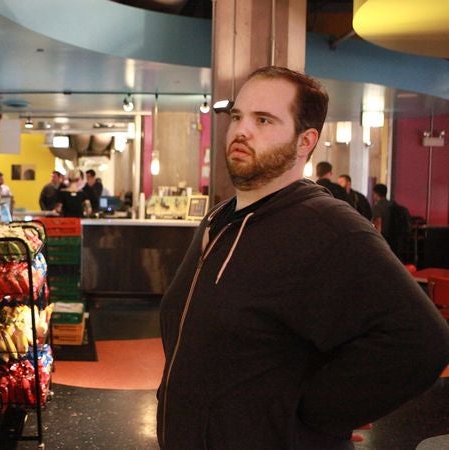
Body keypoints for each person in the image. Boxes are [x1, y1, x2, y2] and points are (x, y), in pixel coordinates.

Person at [157, 66, 449, 450]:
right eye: (238, 116)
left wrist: (311, 414)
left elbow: (422, 340)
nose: (242, 130)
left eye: (264, 119)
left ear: (305, 141)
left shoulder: (327, 226)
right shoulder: (221, 217)